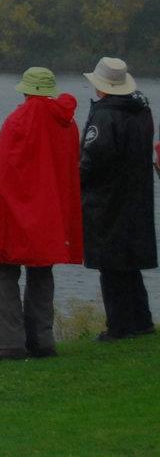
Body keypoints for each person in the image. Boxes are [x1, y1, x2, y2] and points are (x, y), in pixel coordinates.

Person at [0, 67, 83, 361]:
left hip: (17, 209)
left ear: (27, 90)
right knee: (42, 272)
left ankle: (10, 343)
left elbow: (6, 168)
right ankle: (42, 339)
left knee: (4, 272)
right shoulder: (68, 123)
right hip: (50, 211)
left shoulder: (19, 119)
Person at [80, 57, 157, 340]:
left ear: (103, 87)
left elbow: (93, 160)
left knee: (110, 263)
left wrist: (75, 181)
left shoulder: (105, 116)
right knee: (130, 261)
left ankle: (119, 326)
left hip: (107, 199)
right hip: (137, 196)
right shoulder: (142, 111)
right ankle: (141, 319)